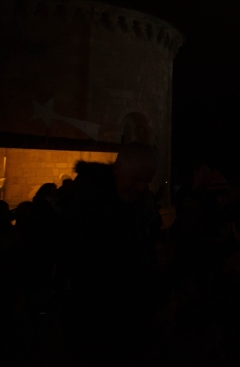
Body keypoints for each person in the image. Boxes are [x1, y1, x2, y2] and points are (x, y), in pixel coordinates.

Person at [62, 142, 164, 365]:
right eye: (137, 179)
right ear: (117, 168)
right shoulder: (84, 207)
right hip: (94, 330)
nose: (140, 188)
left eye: (146, 182)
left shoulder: (140, 208)